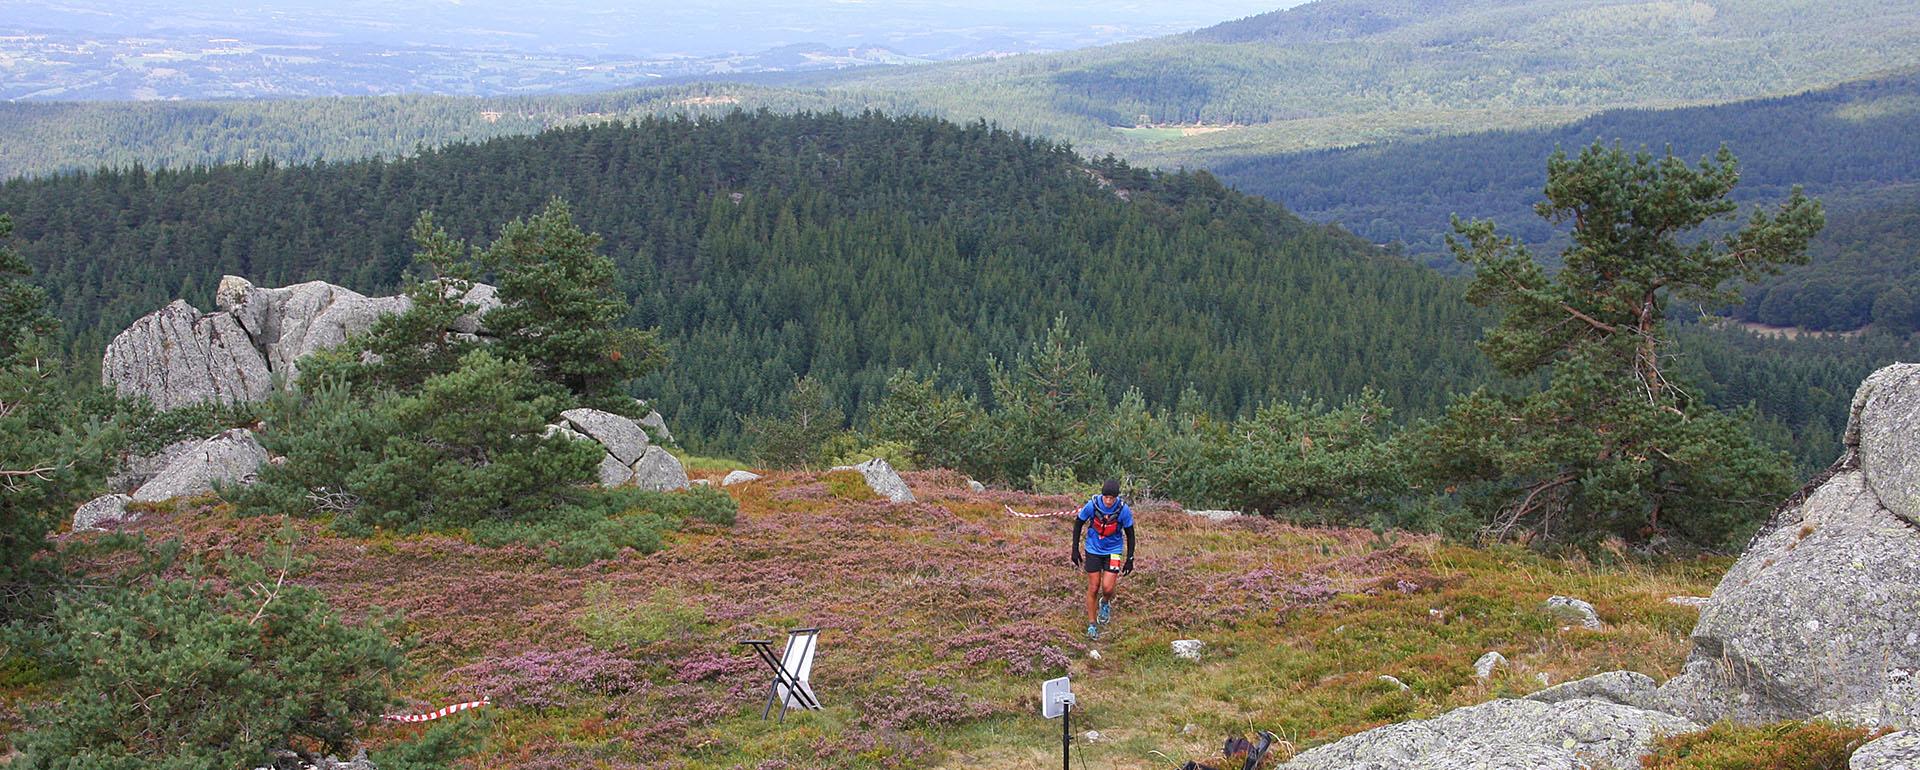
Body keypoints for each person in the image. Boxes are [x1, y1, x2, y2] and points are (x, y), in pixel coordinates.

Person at [1071, 478, 1135, 640]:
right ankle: (1092, 625)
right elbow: (1078, 524)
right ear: (1102, 495)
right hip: (1093, 549)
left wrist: (1130, 558)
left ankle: (1105, 603)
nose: (1108, 501)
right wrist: (1075, 550)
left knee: (1107, 588)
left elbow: (1130, 534)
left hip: (1113, 551)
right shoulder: (1092, 505)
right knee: (1093, 587)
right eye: (1106, 497)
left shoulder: (1123, 510)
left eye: (1112, 498)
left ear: (1116, 498)